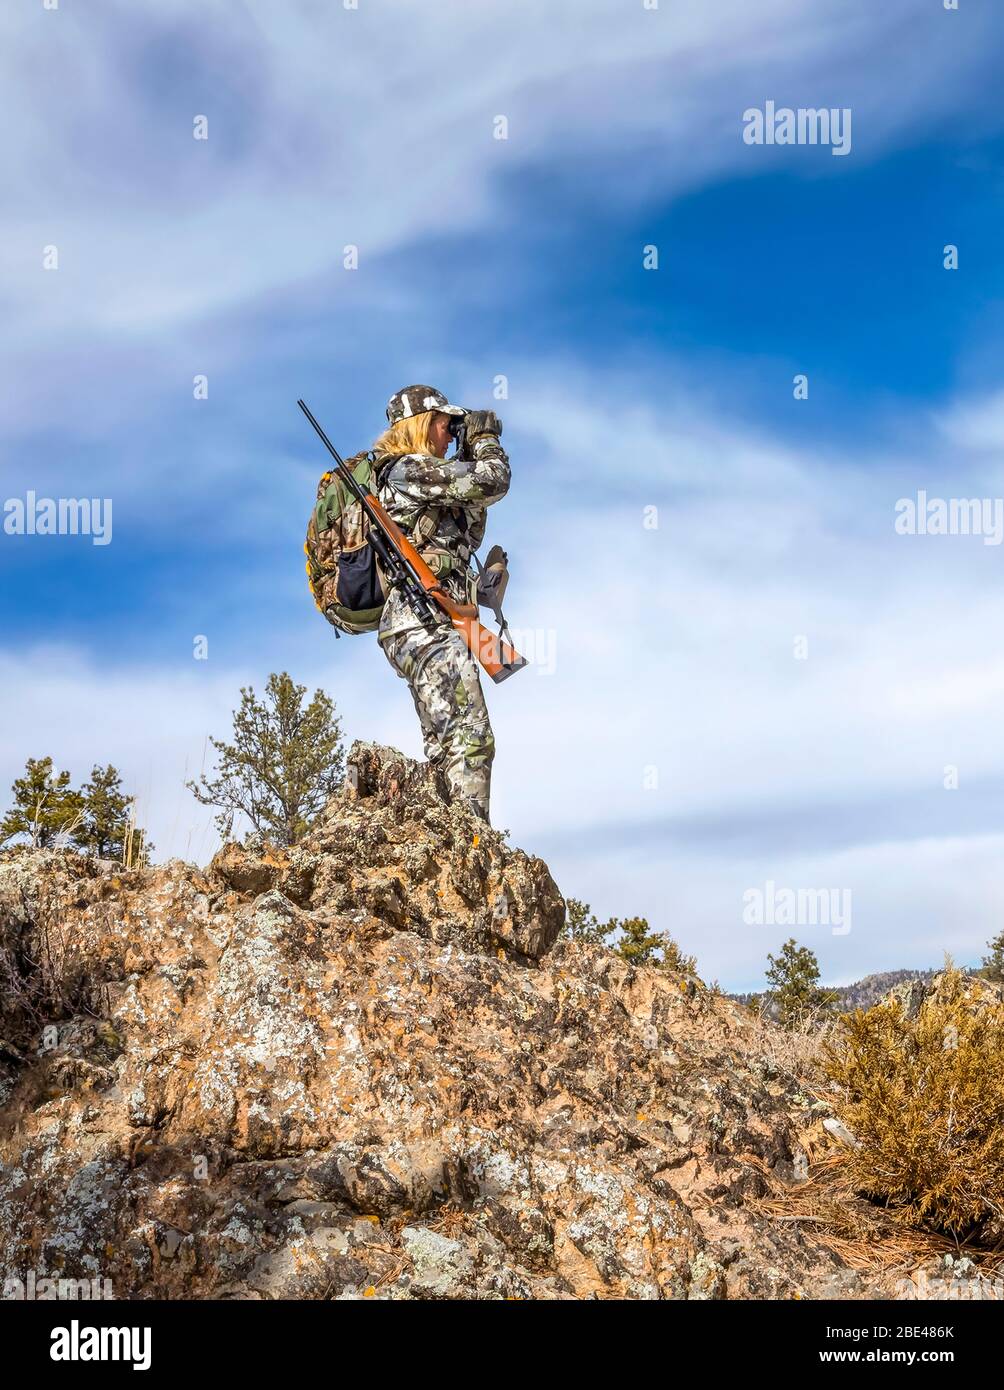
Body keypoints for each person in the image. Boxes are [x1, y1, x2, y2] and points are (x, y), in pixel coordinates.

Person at [372, 385, 509, 821]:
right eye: (445, 424)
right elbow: (492, 481)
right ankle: (473, 844)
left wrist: (469, 446)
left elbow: (474, 510)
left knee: (447, 740)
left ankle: (447, 836)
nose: (451, 434)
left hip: (428, 621)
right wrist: (485, 443)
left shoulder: (424, 478)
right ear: (420, 424)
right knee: (470, 737)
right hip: (419, 621)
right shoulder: (405, 469)